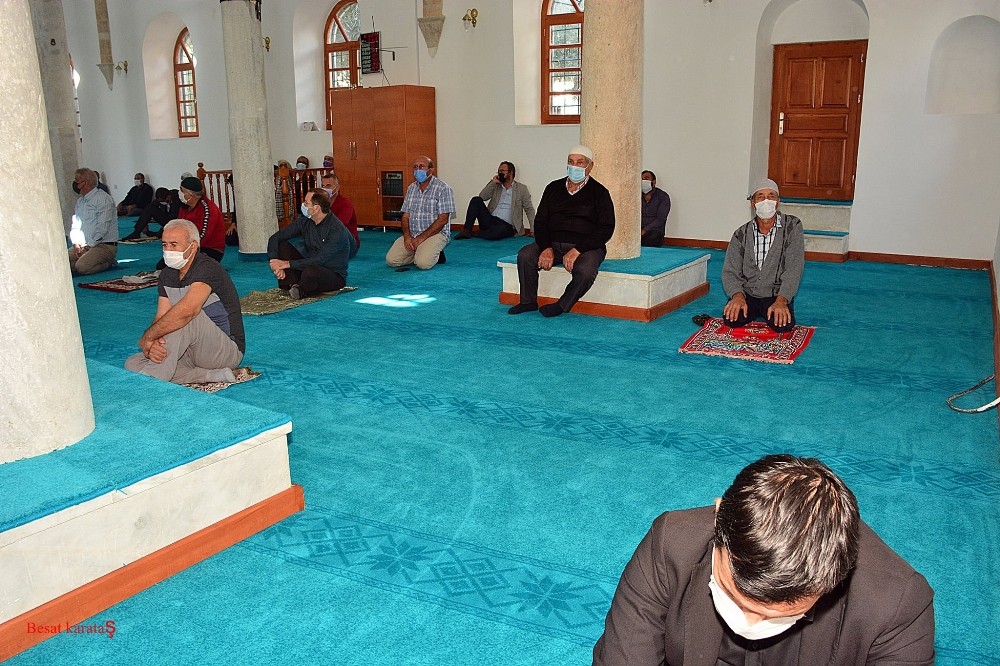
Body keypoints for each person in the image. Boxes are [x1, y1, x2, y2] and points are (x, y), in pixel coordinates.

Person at [593, 454, 934, 665]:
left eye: (775, 616)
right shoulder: (672, 542)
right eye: (732, 595)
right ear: (717, 518)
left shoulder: (897, 604)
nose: (749, 625)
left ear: (834, 580)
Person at [124, 219, 246, 385]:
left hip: (224, 351)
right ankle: (209, 376)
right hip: (190, 351)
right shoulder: (167, 274)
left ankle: (151, 380)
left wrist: (149, 337)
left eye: (174, 245)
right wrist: (153, 344)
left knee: (185, 316)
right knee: (132, 362)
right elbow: (161, 316)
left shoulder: (208, 268)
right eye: (165, 244)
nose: (168, 250)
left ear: (193, 246)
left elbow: (187, 311)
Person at [508, 145, 615, 317]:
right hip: (553, 243)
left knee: (586, 271)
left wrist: (578, 250)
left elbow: (606, 228)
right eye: (571, 162)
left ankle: (562, 305)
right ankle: (528, 302)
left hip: (586, 248)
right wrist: (545, 247)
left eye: (580, 162)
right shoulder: (553, 188)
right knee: (525, 255)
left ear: (590, 166)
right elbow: (541, 222)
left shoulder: (600, 193)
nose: (575, 166)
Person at [720, 178, 804, 333]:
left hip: (776, 294)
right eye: (760, 196)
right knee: (732, 320)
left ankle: (778, 305)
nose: (766, 201)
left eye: (771, 196)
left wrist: (782, 300)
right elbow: (730, 271)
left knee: (783, 325)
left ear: (778, 201)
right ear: (752, 203)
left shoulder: (792, 226)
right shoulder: (741, 234)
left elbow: (794, 268)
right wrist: (737, 296)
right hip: (748, 294)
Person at [267, 188, 353, 300]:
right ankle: (291, 286)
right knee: (282, 245)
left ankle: (300, 290)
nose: (303, 205)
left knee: (311, 271)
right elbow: (276, 237)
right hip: (309, 266)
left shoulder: (336, 230)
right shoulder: (305, 220)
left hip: (332, 274)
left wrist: (287, 264)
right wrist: (275, 262)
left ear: (316, 208)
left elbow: (320, 260)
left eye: (306, 203)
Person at [386, 155, 455, 270]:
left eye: (422, 167)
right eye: (415, 167)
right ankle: (421, 252)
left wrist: (420, 239)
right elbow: (405, 216)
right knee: (392, 260)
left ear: (431, 170)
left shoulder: (443, 188)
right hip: (413, 233)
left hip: (436, 234)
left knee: (423, 264)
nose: (418, 170)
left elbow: (443, 219)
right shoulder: (411, 188)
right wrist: (407, 237)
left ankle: (431, 254)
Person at [455, 161, 535, 241]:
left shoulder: (522, 189)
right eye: (499, 171)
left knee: (498, 232)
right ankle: (467, 230)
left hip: (506, 225)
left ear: (510, 173)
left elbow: (529, 209)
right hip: (490, 220)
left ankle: (476, 233)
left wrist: (533, 229)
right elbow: (482, 197)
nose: (500, 173)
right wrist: (493, 183)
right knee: (476, 200)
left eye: (502, 171)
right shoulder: (496, 186)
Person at [67, 167, 118, 275]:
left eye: (77, 180)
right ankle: (88, 260)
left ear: (86, 183)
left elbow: (102, 229)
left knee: (82, 267)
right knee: (61, 263)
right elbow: (75, 225)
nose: (74, 183)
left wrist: (88, 246)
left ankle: (108, 262)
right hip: (84, 245)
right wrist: (76, 243)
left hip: (103, 245)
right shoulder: (81, 201)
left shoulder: (103, 199)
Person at [176, 175, 226, 262]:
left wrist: (185, 248)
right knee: (165, 265)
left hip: (210, 249)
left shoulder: (208, 209)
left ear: (190, 195)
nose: (179, 192)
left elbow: (204, 236)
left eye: (181, 190)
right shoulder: (184, 207)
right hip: (191, 247)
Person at [321, 172, 360, 254]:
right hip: (326, 240)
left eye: (328, 186)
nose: (325, 189)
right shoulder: (320, 203)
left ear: (337, 187)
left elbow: (339, 225)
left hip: (348, 242)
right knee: (299, 247)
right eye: (323, 186)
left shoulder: (345, 203)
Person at [640, 170, 671, 247]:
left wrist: (644, 230)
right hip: (638, 230)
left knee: (653, 238)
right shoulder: (636, 196)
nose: (643, 181)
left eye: (646, 178)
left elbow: (661, 219)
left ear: (654, 182)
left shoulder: (663, 196)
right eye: (642, 179)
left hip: (654, 231)